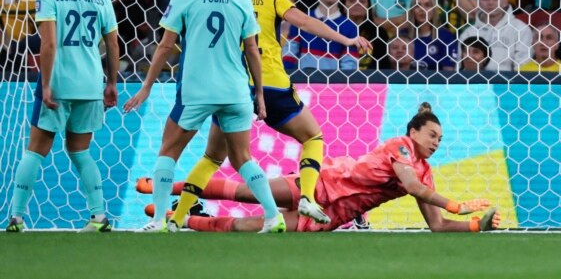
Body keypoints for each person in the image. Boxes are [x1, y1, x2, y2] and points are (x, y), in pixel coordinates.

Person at [166, 0, 372, 228]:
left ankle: (177, 219)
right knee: (313, 137)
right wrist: (346, 40)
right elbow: (306, 22)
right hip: (272, 84)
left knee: (212, 157)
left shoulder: (231, 1)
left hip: (235, 88)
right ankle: (307, 197)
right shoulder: (273, 0)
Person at [123, 0, 284, 233]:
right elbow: (252, 49)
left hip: (198, 90)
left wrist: (146, 86)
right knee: (242, 158)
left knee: (168, 151)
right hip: (235, 91)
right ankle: (274, 216)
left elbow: (165, 46)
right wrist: (259, 93)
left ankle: (160, 220)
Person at [137, 103, 502, 234]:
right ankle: (165, 188)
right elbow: (415, 187)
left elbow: (436, 226)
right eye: (432, 135)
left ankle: (182, 219)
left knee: (254, 225)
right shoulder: (400, 147)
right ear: (412, 132)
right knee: (248, 193)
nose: (437, 143)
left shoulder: (426, 174)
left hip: (333, 214)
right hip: (321, 184)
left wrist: (473, 225)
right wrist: (456, 203)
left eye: (441, 138)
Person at [5, 0, 119, 232]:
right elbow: (112, 42)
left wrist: (45, 85)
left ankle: (16, 217)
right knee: (80, 151)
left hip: (58, 84)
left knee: (35, 150)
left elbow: (50, 43)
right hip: (91, 83)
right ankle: (99, 216)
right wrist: (112, 82)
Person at [283, 0, 361, 71]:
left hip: (333, 82)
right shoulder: (302, 18)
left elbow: (349, 62)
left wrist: (341, 83)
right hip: (303, 80)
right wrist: (288, 75)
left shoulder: (350, 26)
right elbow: (290, 51)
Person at [458, 0, 532, 72]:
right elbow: (460, 68)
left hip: (509, 84)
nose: (490, 2)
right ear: (478, 1)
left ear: (505, 1)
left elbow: (523, 68)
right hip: (477, 84)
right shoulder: (468, 33)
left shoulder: (521, 29)